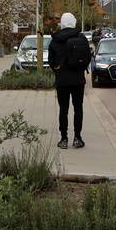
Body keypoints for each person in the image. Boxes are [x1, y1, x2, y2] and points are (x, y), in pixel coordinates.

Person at [48, 13, 92, 149]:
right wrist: (80, 69)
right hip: (78, 80)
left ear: (62, 23)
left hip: (62, 81)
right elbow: (88, 57)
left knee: (63, 109)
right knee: (78, 109)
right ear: (74, 22)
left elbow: (51, 61)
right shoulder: (81, 37)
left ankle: (64, 139)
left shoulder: (55, 40)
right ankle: (77, 138)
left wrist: (58, 71)